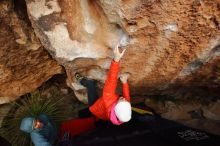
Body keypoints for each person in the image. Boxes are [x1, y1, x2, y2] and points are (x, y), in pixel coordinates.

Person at [75, 44, 131, 125]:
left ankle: (81, 81)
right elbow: (127, 98)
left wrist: (116, 59)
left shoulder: (109, 98)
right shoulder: (123, 114)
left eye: (122, 101)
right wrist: (125, 83)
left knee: (90, 84)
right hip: (103, 114)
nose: (124, 99)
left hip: (95, 107)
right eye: (126, 102)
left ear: (116, 107)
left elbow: (111, 80)